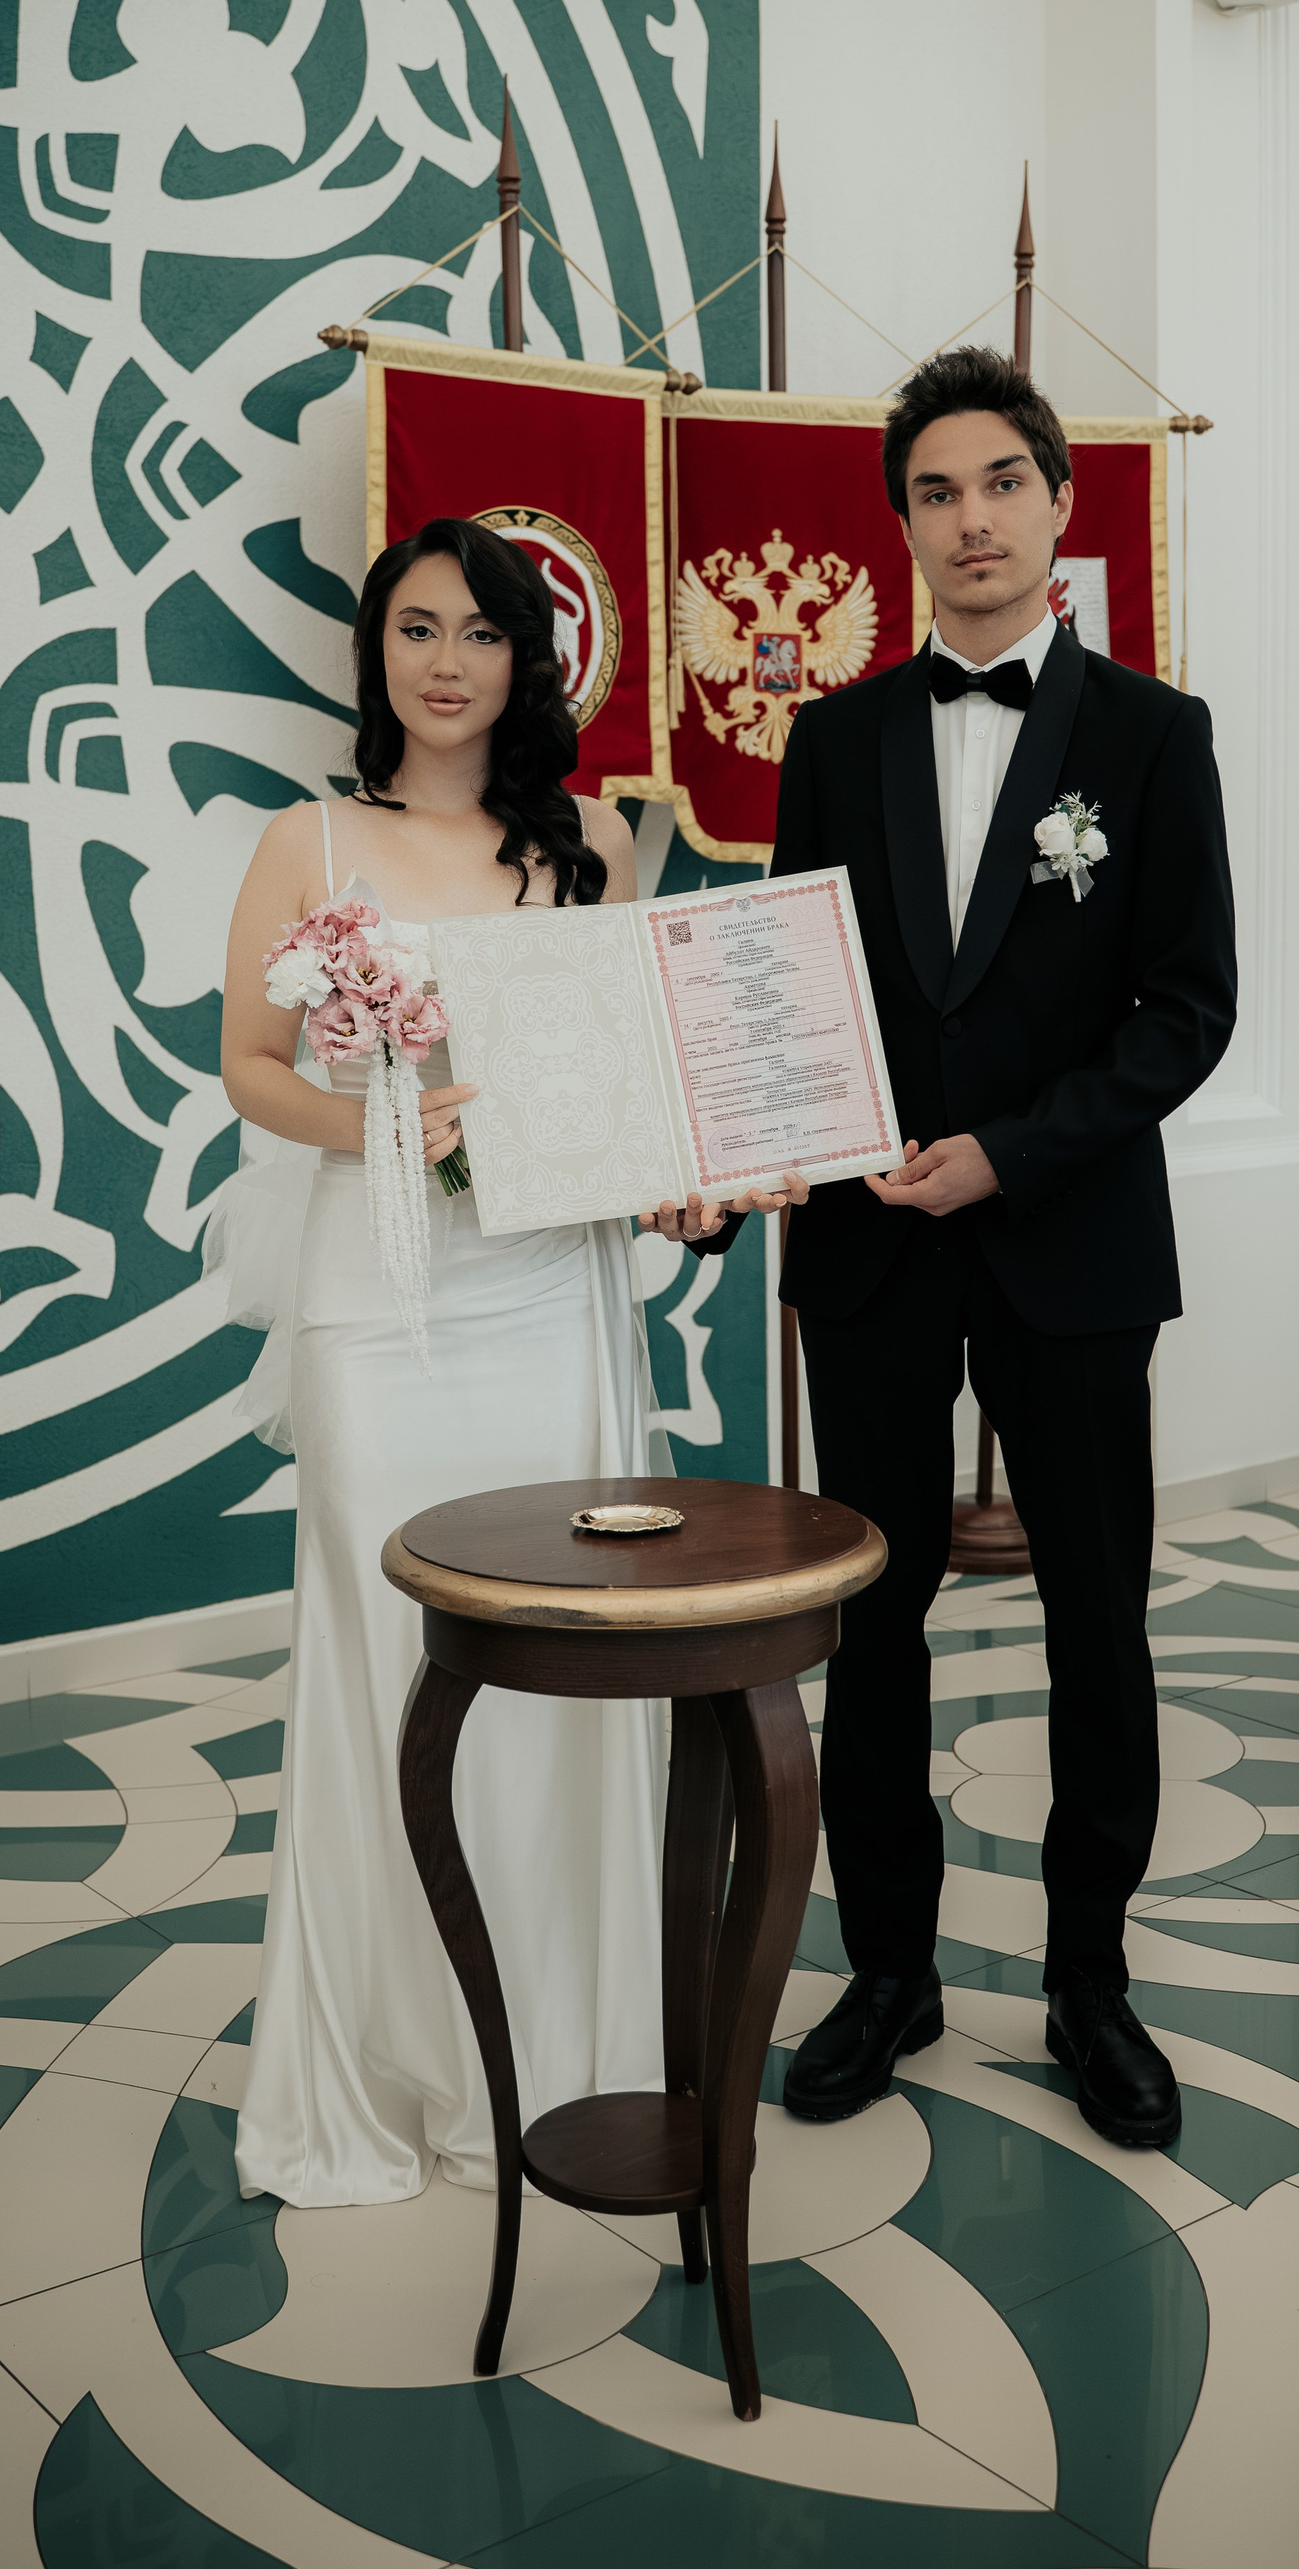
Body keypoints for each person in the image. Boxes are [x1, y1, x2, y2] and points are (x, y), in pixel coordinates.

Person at [662, 348, 1236, 2145]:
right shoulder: (832, 740)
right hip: (870, 1251)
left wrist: (1010, 1154)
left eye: (1000, 483)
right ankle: (890, 1972)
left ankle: (1091, 1988)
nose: (971, 519)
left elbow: (1186, 1011)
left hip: (1074, 1244)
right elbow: (799, 990)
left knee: (1098, 1622)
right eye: (934, 491)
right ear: (900, 524)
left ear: (1060, 503)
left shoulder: (1154, 735)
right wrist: (743, 1153)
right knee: (877, 1621)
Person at [215, 514, 796, 2207]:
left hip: (552, 1299)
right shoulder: (309, 840)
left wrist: (691, 1179)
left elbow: (634, 1088)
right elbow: (253, 1064)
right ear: (375, 653)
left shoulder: (594, 843)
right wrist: (389, 1122)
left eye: (480, 631)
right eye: (416, 628)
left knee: (564, 1655)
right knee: (386, 1658)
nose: (446, 661)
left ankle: (558, 2050)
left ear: (527, 661)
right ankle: (387, 2068)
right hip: (382, 1298)